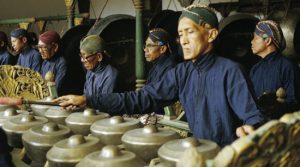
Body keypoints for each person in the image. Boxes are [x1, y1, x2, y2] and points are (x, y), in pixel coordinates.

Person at [54, 4, 265, 147]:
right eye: (180, 34)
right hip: (197, 152)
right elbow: (142, 98)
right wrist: (88, 100)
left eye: (190, 32)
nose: (183, 40)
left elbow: (253, 116)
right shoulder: (182, 73)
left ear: (211, 35)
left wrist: (251, 128)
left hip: (227, 156)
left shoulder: (231, 71)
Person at [250, 20, 300, 119]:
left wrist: (277, 106)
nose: (251, 42)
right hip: (258, 127)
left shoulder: (287, 67)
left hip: (280, 129)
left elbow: (295, 103)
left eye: (255, 38)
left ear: (267, 40)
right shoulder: (254, 70)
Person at [38, 30, 67, 96]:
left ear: (55, 47)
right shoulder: (45, 62)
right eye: (39, 47)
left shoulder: (62, 63)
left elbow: (56, 91)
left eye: (44, 47)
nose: (40, 51)